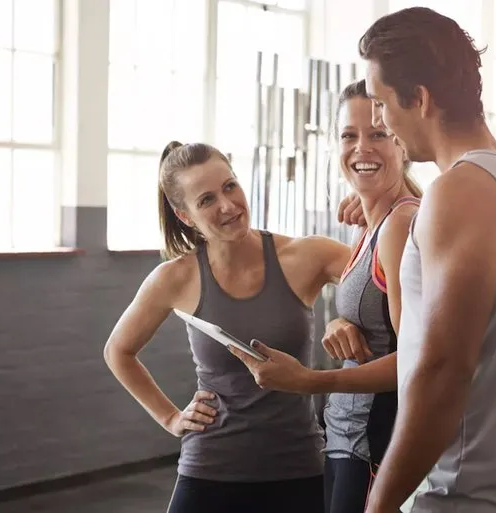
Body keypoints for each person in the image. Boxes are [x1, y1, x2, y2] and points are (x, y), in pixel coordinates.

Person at [345, 7, 496, 513]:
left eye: (381, 105)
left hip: (468, 498)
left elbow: (442, 369)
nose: (381, 122)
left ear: (420, 99)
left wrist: (380, 503)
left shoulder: (457, 193)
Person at [102, 141, 357, 513]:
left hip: (298, 465)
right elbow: (118, 351)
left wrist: (343, 316)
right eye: (206, 200)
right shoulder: (175, 278)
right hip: (210, 466)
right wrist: (171, 417)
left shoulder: (306, 256)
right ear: (184, 215)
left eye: (230, 186)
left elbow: (383, 284)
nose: (227, 205)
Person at [229, 79, 421, 513]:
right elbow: (376, 312)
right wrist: (340, 322)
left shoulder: (398, 226)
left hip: (374, 442)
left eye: (378, 134)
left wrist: (310, 381)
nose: (361, 148)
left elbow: (417, 362)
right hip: (345, 437)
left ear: (403, 144)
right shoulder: (372, 224)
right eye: (349, 136)